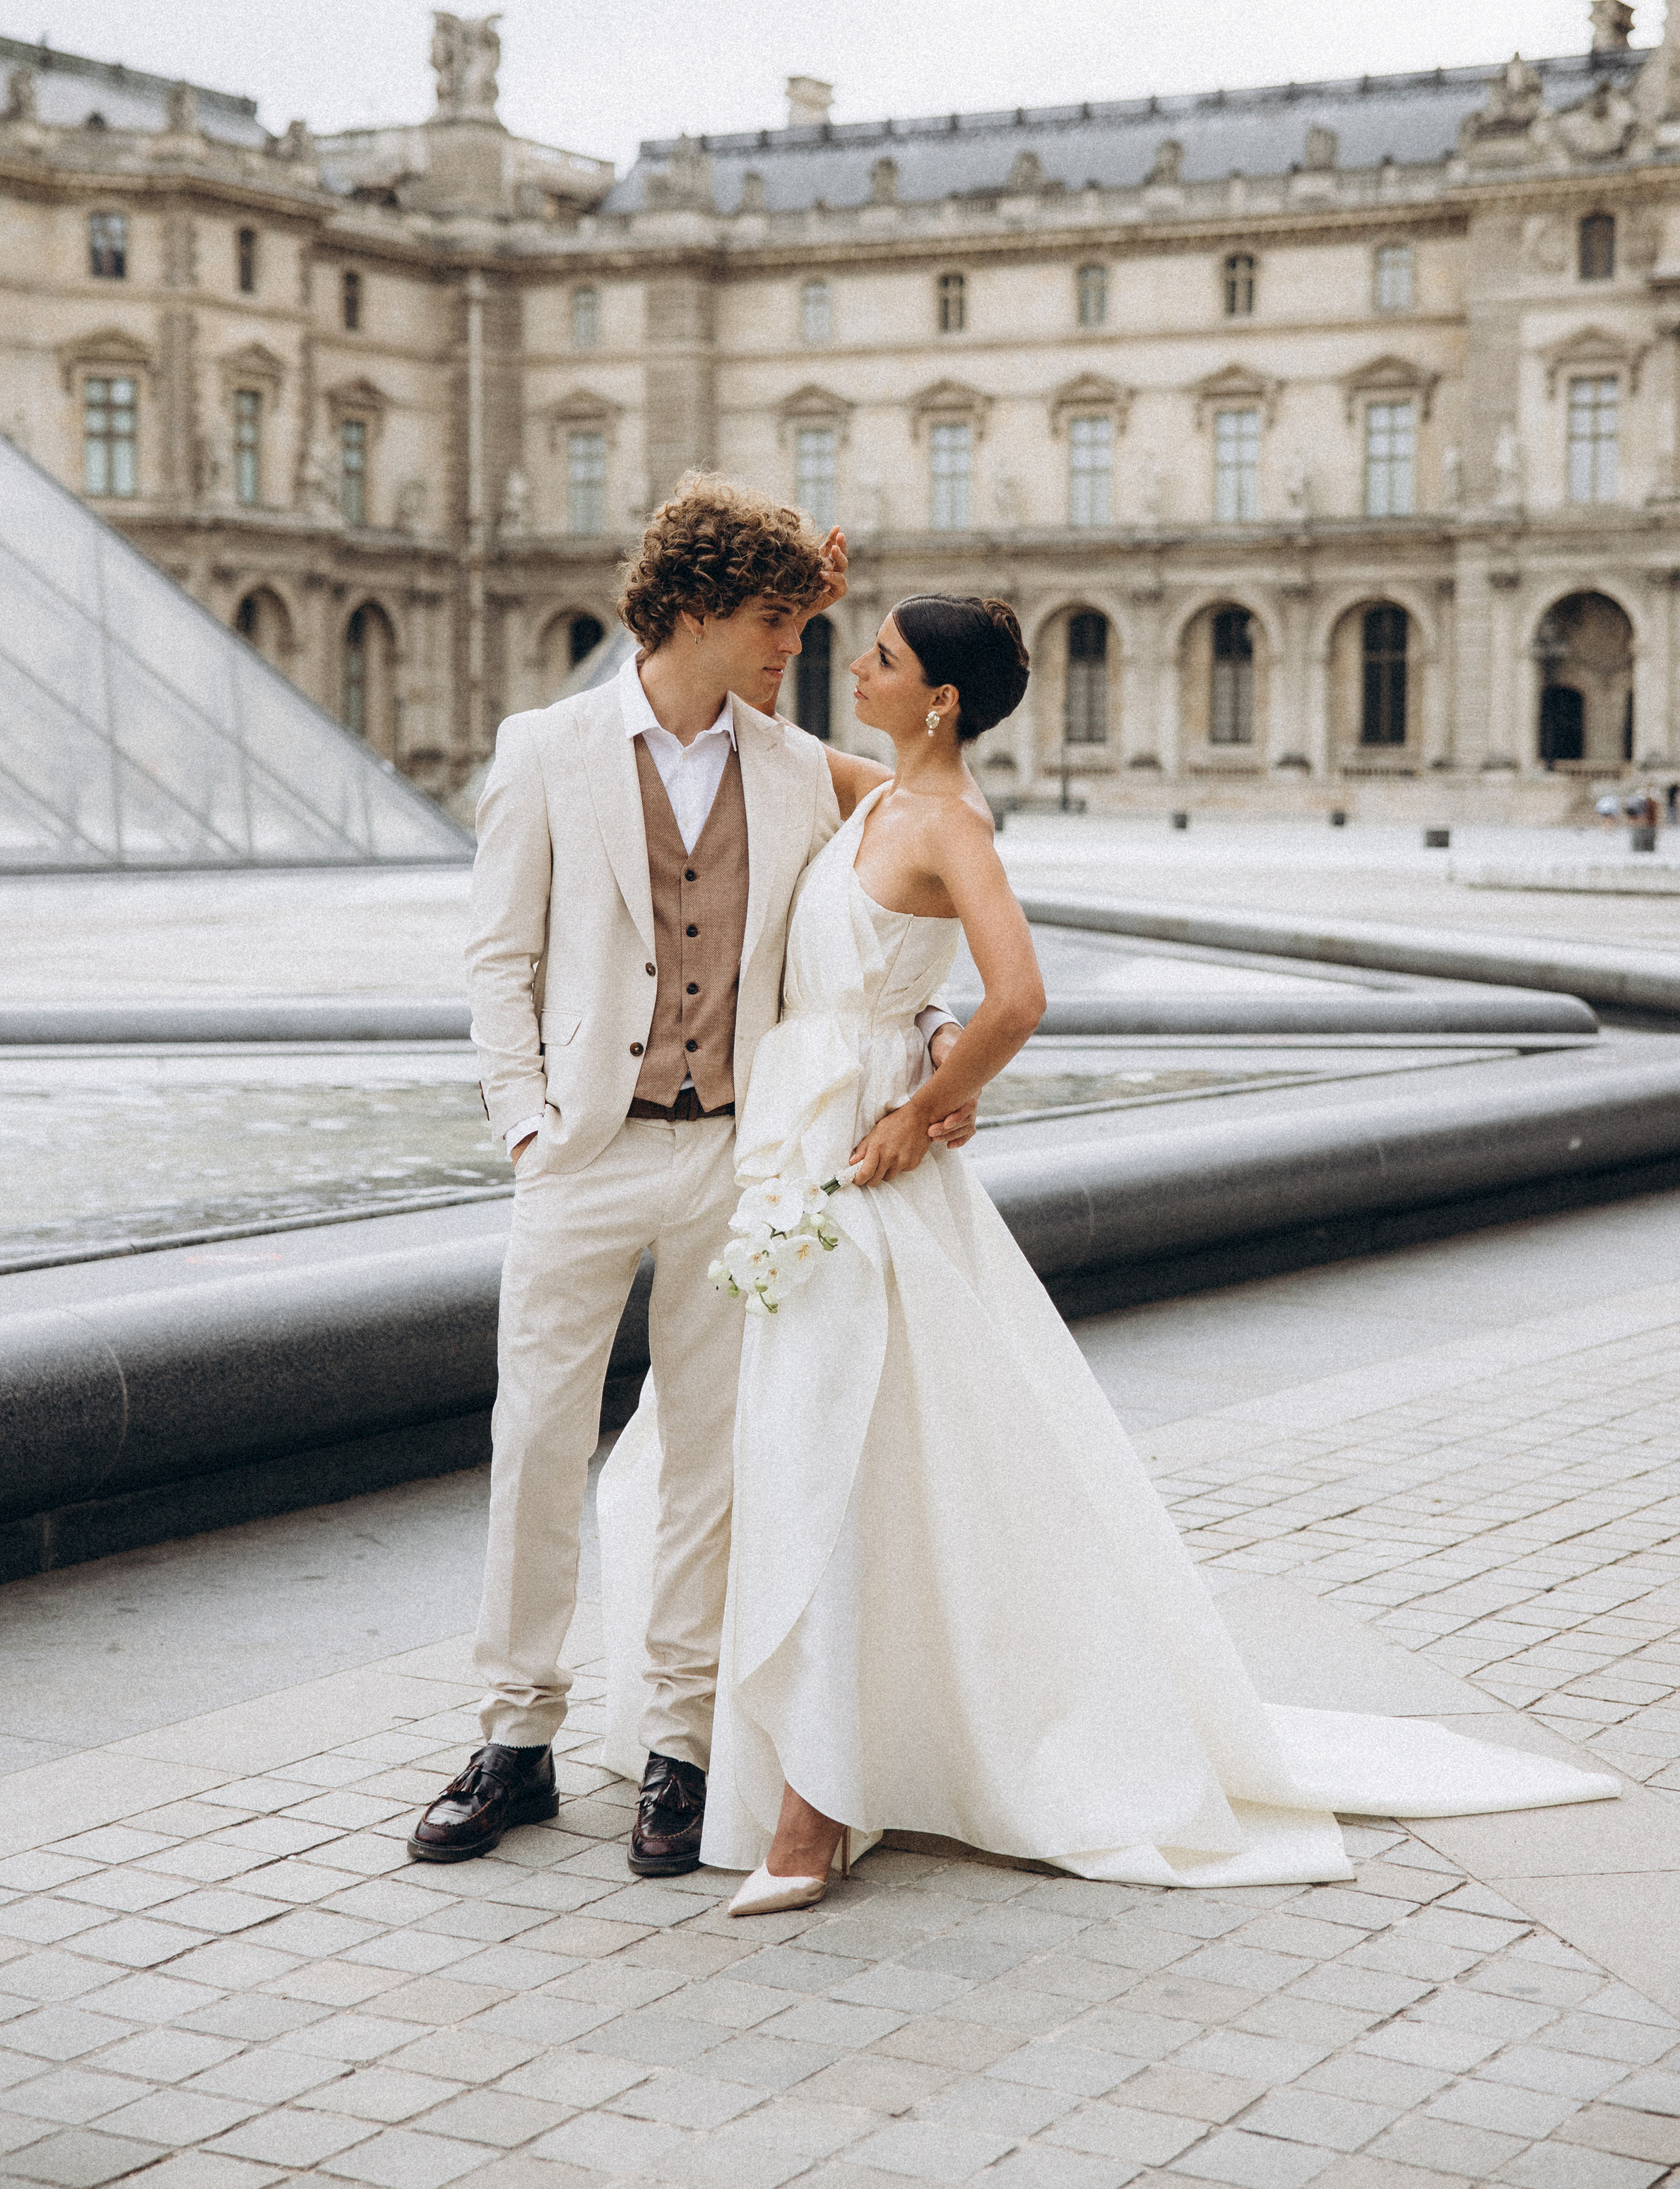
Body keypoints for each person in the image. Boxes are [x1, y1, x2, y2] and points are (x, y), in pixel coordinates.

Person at [598, 594, 1619, 1906]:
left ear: (943, 701)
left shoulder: (949, 826)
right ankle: (815, 1763)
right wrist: (786, 587)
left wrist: (922, 1104)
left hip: (854, 1167)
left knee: (825, 1470)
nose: (854, 665)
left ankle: (815, 1807)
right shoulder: (873, 792)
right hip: (799, 1147)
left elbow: (1021, 993)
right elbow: (743, 726)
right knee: (804, 1458)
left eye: (883, 657)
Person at [409, 480, 967, 1878]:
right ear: (701, 613)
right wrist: (524, 1120)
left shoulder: (792, 767)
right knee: (536, 1442)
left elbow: (929, 839)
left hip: (737, 1151)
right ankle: (513, 1740)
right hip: (583, 1154)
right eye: (779, 622)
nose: (797, 645)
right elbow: (496, 959)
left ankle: (677, 1746)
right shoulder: (544, 751)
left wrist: (936, 1028)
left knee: (711, 1458)